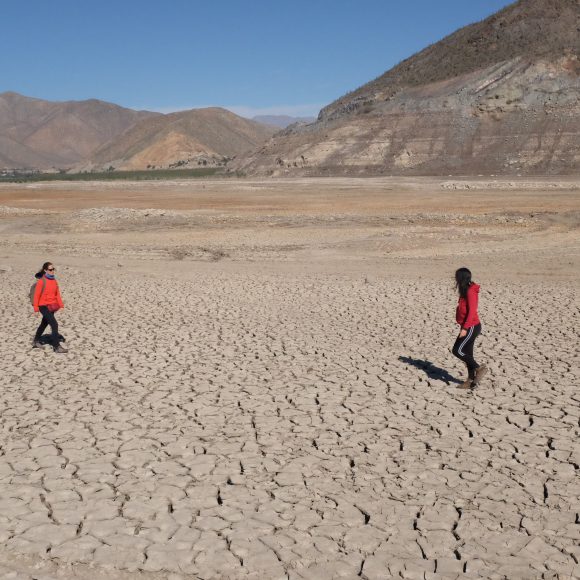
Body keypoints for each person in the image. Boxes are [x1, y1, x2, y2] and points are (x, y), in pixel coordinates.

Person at [452, 267, 486, 389]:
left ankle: (479, 368)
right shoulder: (465, 290)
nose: (455, 279)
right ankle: (471, 381)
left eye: (457, 277)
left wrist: (465, 328)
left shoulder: (470, 292)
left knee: (457, 350)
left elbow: (472, 311)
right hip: (468, 326)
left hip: (471, 326)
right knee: (468, 355)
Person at [32, 262, 67, 353]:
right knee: (54, 324)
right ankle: (57, 346)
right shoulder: (41, 281)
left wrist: (61, 305)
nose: (52, 271)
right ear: (45, 270)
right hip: (43, 306)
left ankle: (35, 341)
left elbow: (57, 295)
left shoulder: (54, 281)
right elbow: (36, 296)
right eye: (50, 270)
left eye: (53, 269)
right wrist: (36, 309)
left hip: (51, 306)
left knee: (44, 324)